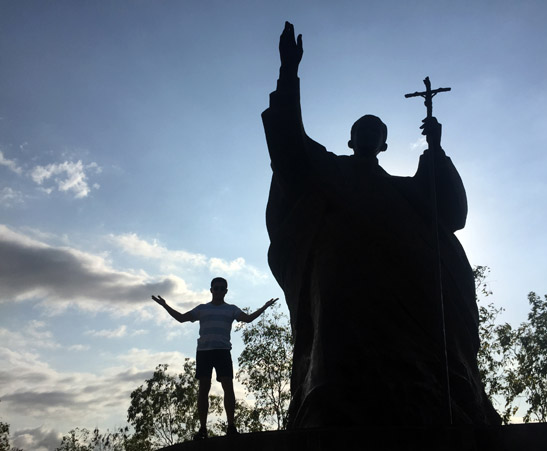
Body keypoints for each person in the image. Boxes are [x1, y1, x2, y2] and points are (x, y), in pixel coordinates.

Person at [262, 22, 500, 427]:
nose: (369, 134)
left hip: (403, 292)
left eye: (377, 131)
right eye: (362, 130)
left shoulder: (401, 191)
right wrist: (288, 72)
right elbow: (290, 146)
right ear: (351, 140)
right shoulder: (330, 171)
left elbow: (448, 214)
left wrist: (436, 149)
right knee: (336, 360)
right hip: (342, 282)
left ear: (385, 144)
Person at [152, 277, 278, 439]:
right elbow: (182, 318)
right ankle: (203, 428)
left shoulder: (231, 309)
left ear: (226, 291)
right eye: (216, 288)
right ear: (211, 290)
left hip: (222, 351)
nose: (218, 291)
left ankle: (231, 426)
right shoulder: (202, 309)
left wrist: (265, 307)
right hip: (204, 351)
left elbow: (248, 319)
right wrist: (165, 305)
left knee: (228, 386)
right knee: (203, 389)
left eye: (221, 288)